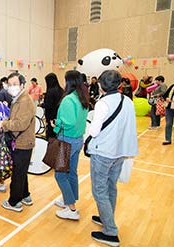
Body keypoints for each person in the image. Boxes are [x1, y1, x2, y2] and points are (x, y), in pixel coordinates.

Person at [88, 70, 138, 246]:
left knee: (99, 190)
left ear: (101, 85)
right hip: (119, 152)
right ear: (119, 85)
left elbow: (94, 131)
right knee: (111, 187)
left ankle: (110, 231)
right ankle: (105, 217)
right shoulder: (128, 101)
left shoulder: (103, 103)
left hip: (103, 152)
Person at [50, 70, 89, 220]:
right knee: (71, 172)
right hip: (78, 140)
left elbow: (69, 122)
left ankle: (71, 209)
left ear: (69, 82)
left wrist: (56, 122)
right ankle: (69, 199)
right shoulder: (82, 98)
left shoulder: (68, 100)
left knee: (60, 174)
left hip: (66, 141)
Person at [0, 72, 35, 212]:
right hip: (20, 141)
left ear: (22, 85)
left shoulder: (24, 101)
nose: (11, 87)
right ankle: (25, 196)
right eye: (10, 84)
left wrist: (4, 124)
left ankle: (14, 202)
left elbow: (20, 124)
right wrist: (5, 122)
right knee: (22, 170)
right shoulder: (18, 98)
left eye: (15, 84)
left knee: (18, 172)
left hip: (22, 142)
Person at [43, 73, 64, 139]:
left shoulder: (50, 91)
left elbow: (48, 105)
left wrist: (42, 105)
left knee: (50, 137)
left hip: (51, 117)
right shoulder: (61, 90)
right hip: (59, 117)